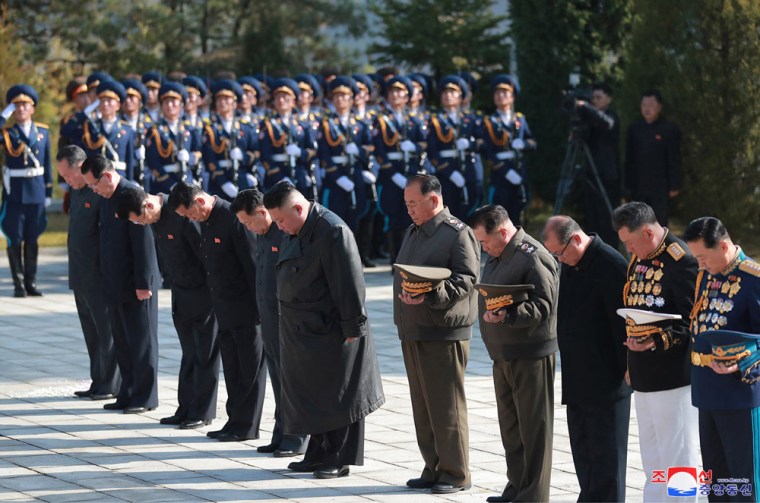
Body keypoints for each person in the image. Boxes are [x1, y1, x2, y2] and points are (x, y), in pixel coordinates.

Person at [263, 181, 384, 479]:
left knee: (337, 395)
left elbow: (349, 284)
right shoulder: (295, 229)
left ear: (298, 208)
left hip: (331, 328)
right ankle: (317, 453)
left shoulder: (333, 231)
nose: (279, 226)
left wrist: (353, 326)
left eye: (281, 219)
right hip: (303, 330)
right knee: (313, 394)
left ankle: (338, 457)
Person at [392, 174, 479, 494]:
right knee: (423, 406)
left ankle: (456, 472)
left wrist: (430, 294)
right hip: (414, 328)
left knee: (446, 407)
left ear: (433, 200)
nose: (409, 210)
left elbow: (467, 279)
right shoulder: (413, 232)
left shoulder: (457, 233)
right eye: (406, 204)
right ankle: (433, 466)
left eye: (414, 203)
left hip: (443, 332)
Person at [470, 205, 558, 502]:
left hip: (530, 355)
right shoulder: (499, 254)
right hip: (503, 353)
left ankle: (533, 495)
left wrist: (509, 314)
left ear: (503, 231)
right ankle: (517, 486)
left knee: (533, 430)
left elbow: (544, 305)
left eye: (485, 241)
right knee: (511, 429)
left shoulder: (532, 256)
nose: (483, 248)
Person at [612, 201, 699, 502]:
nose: (629, 250)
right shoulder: (640, 258)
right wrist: (631, 362)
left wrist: (657, 340)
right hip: (643, 372)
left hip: (673, 376)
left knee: (678, 456)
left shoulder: (681, 260)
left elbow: (692, 321)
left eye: (631, 243)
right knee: (653, 459)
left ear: (648, 233)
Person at [114, 187, 220, 430]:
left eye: (141, 219)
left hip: (202, 293)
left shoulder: (181, 213)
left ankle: (202, 411)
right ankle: (186, 408)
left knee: (205, 355)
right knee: (189, 353)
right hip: (180, 292)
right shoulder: (157, 219)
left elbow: (205, 254)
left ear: (149, 205)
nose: (142, 225)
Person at [168, 182, 266, 442]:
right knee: (233, 371)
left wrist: (260, 309)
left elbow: (253, 266)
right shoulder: (207, 221)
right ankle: (234, 421)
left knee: (249, 371)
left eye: (190, 214)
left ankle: (246, 426)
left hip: (246, 310)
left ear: (200, 202)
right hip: (223, 310)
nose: (191, 220)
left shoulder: (233, 218)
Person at [542, 215, 630, 502]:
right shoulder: (572, 262)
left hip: (606, 379)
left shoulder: (610, 264)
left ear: (576, 239)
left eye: (560, 253)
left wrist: (628, 368)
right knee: (584, 450)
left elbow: (622, 325)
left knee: (607, 455)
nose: (559, 260)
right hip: (577, 376)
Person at [683, 217, 760, 500]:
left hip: (740, 393)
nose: (700, 264)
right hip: (708, 391)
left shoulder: (753, 279)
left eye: (703, 257)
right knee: (715, 478)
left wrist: (742, 362)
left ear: (724, 246)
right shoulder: (707, 275)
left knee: (744, 479)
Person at [231, 188, 309, 457]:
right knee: (277, 380)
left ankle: (296, 437)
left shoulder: (284, 233)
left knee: (292, 382)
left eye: (249, 222)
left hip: (286, 321)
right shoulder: (262, 235)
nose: (248, 228)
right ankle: (281, 432)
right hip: (268, 320)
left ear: (263, 212)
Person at [79, 155, 160, 414]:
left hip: (135, 284)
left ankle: (145, 396)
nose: (93, 190)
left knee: (141, 342)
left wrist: (145, 282)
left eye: (94, 184)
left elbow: (144, 242)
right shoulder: (106, 198)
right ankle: (127, 392)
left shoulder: (131, 194)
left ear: (106, 176)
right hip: (114, 282)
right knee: (123, 342)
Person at [57, 145, 119, 400]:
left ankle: (111, 384)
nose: (66, 180)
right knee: (91, 333)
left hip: (98, 275)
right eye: (62, 176)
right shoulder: (76, 192)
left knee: (106, 331)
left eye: (68, 175)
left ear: (81, 168)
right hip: (80, 274)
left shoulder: (98, 194)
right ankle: (98, 380)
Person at [1, 84, 52, 298]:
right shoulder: (7, 132)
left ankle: (31, 282)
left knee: (33, 237)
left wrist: (48, 191)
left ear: (32, 108)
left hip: (37, 191)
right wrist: (3, 115)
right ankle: (18, 284)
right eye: (17, 105)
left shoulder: (43, 132)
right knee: (15, 238)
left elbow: (47, 163)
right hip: (15, 193)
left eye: (25, 105)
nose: (21, 109)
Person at [374, 76, 427, 264]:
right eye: (392, 92)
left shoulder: (413, 120)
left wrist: (414, 147)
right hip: (391, 175)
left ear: (406, 97)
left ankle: (409, 259)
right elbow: (378, 150)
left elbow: (424, 143)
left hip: (410, 173)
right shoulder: (381, 120)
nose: (396, 95)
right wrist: (393, 174)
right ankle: (394, 260)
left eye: (400, 92)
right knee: (392, 217)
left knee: (411, 217)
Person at [317, 77, 374, 242]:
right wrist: (337, 177)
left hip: (355, 173)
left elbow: (370, 147)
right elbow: (323, 155)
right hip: (336, 177)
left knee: (356, 218)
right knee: (335, 221)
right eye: (336, 96)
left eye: (344, 96)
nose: (340, 99)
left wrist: (359, 151)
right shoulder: (326, 124)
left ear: (351, 99)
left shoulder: (360, 124)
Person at [480, 75, 536, 226]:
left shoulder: (519, 119)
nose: (500, 96)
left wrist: (524, 144)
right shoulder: (489, 122)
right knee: (499, 215)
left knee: (518, 214)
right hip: (500, 173)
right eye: (497, 93)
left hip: (518, 170)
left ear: (512, 97)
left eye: (505, 93)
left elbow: (532, 142)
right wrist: (505, 171)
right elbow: (486, 151)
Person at [426, 75, 480, 220]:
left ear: (460, 96)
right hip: (446, 173)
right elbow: (432, 151)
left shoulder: (470, 119)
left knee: (470, 213)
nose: (448, 95)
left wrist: (470, 144)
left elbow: (482, 143)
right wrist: (449, 172)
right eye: (445, 92)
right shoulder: (435, 120)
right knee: (448, 215)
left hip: (468, 170)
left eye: (452, 92)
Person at [624, 90, 681, 226]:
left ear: (659, 107)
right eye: (644, 105)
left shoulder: (668, 129)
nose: (647, 108)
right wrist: (627, 184)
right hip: (639, 185)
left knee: (659, 223)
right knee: (639, 222)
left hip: (660, 186)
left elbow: (673, 158)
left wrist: (674, 184)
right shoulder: (634, 129)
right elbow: (629, 158)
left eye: (651, 105)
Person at [576, 82, 621, 247]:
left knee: (607, 218)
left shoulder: (611, 116)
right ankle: (593, 249)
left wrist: (586, 107)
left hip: (608, 175)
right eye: (592, 98)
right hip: (591, 174)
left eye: (598, 97)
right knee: (592, 217)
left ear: (609, 99)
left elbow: (607, 123)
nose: (594, 101)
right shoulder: (589, 118)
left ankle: (611, 250)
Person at [259, 78, 318, 198]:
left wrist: (300, 152)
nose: (281, 100)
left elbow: (312, 150)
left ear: (293, 101)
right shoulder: (268, 124)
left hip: (299, 174)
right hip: (276, 176)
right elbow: (265, 154)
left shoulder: (302, 124)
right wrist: (280, 178)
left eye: (285, 97)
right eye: (278, 97)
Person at [201, 80, 259, 201]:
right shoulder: (210, 129)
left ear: (234, 103)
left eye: (227, 99)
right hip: (218, 182)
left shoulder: (245, 128)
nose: (222, 102)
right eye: (219, 99)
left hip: (242, 177)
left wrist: (243, 157)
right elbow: (209, 158)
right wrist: (223, 182)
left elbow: (256, 152)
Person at [145, 82, 201, 194]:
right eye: (166, 102)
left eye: (174, 101)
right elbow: (152, 161)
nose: (170, 105)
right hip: (164, 185)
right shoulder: (155, 130)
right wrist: (171, 185)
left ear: (181, 104)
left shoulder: (189, 128)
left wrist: (189, 158)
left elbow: (198, 151)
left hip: (187, 183)